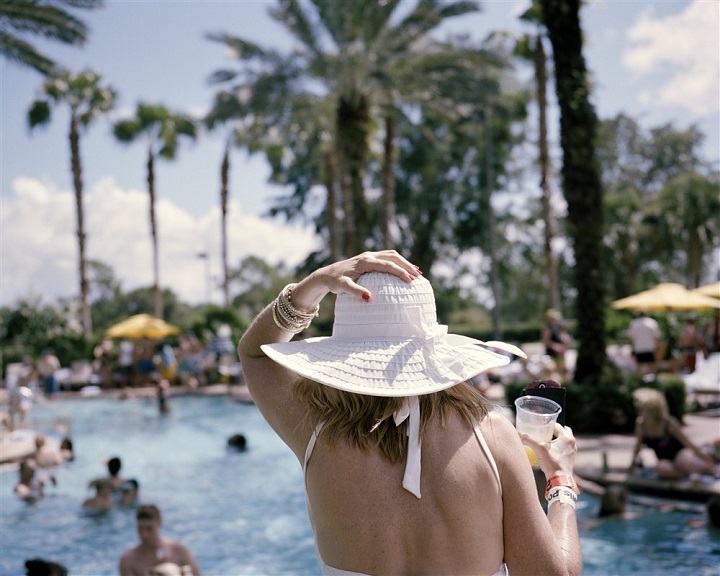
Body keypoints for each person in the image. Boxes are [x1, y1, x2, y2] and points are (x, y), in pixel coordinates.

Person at [237, 250, 583, 576]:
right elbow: (552, 573)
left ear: (342, 356)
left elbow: (255, 353)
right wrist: (560, 481)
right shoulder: (493, 436)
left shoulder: (314, 432)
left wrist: (315, 283)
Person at [628, 388, 719, 480]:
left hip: (681, 453)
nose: (638, 411)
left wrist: (704, 457)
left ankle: (711, 469)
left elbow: (688, 443)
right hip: (665, 460)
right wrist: (631, 465)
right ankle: (689, 474)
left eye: (641, 409)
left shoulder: (668, 423)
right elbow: (637, 447)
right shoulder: (641, 424)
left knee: (683, 461)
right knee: (660, 468)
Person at [119, 504, 201, 576]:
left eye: (149, 529)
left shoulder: (179, 551)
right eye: (140, 529)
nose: (144, 534)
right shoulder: (128, 560)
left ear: (160, 523)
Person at [627, 310, 661, 375]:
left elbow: (630, 337)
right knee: (651, 366)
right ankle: (651, 381)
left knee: (639, 367)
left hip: (638, 348)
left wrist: (632, 347)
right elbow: (656, 337)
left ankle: (640, 381)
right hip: (650, 348)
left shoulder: (634, 323)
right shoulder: (652, 323)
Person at [542, 308, 571, 375]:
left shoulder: (558, 327)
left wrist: (564, 346)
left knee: (563, 372)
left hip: (560, 355)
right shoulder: (547, 329)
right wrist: (555, 346)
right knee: (551, 371)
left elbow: (564, 339)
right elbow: (546, 342)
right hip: (551, 355)